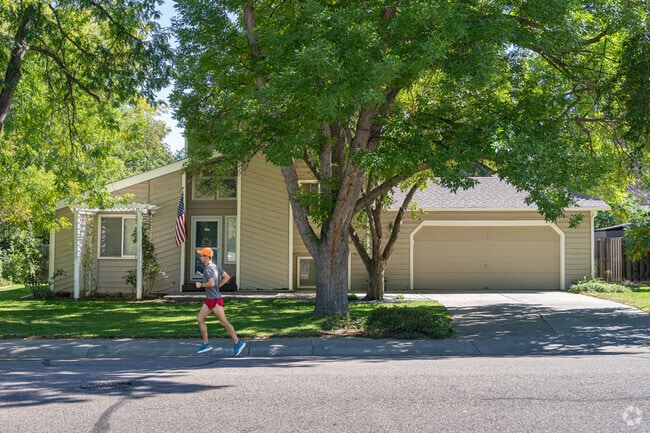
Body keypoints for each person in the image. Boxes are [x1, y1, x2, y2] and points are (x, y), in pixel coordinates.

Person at [193, 247, 246, 357]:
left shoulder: (208, 269)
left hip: (215, 300)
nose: (200, 257)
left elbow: (211, 284)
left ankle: (238, 343)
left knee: (224, 322)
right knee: (199, 319)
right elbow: (226, 277)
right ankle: (206, 344)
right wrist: (218, 287)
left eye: (201, 255)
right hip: (210, 299)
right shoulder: (214, 267)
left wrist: (201, 285)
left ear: (207, 257)